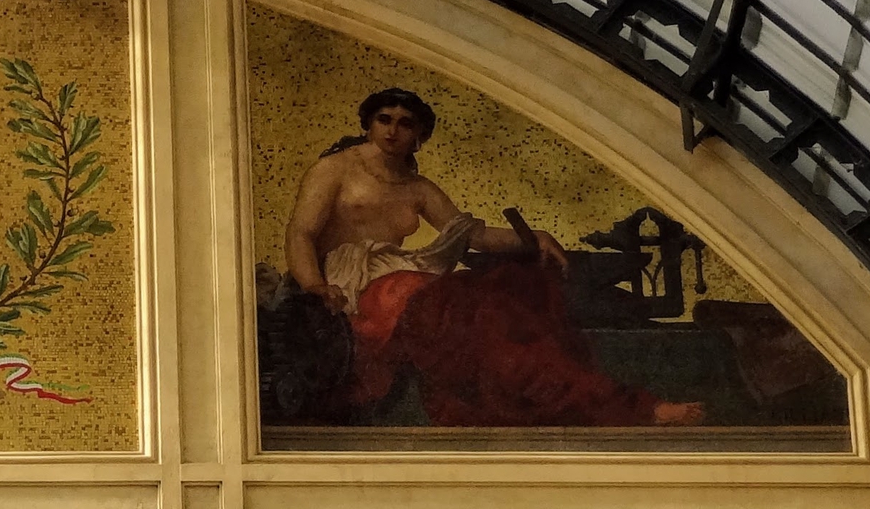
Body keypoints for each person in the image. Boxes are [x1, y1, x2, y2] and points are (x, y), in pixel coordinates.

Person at [281, 88, 702, 427]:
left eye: (405, 123)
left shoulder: (418, 187)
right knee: (451, 308)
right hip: (347, 282)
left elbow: (474, 236)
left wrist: (532, 238)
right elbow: (302, 233)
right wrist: (315, 286)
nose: (392, 130)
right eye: (384, 119)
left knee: (495, 308)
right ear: (368, 124)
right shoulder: (335, 169)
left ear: (419, 135)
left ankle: (615, 403)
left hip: (399, 278)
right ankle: (625, 406)